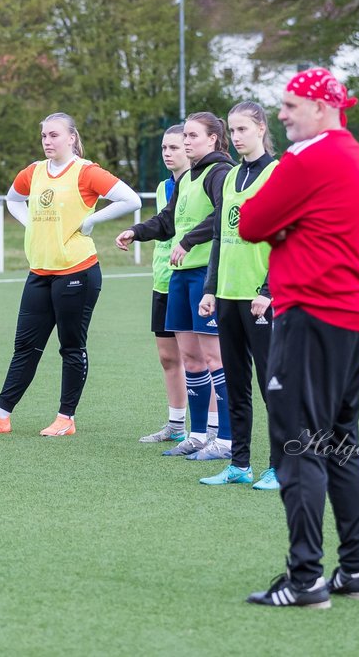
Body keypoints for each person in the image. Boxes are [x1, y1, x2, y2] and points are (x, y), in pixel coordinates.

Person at [237, 69, 359, 609]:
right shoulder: (354, 154)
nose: (284, 114)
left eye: (293, 105)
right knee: (341, 444)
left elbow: (251, 223)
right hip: (356, 317)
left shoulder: (307, 158)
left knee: (299, 447)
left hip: (312, 317)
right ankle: (357, 569)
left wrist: (283, 228)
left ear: (323, 108)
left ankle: (304, 580)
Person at [0, 112, 141, 436]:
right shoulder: (34, 171)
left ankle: (65, 418)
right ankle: (0, 416)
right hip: (40, 272)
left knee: (71, 347)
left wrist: (92, 220)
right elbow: (13, 199)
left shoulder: (86, 172)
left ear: (71, 138)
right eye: (44, 135)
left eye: (54, 135)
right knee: (24, 346)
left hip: (78, 272)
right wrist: (30, 221)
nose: (47, 141)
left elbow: (130, 199)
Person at [117, 112, 235, 461]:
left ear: (213, 139)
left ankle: (226, 439)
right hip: (180, 278)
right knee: (190, 358)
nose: (186, 142)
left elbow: (221, 216)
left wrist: (188, 241)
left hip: (205, 275)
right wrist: (137, 232)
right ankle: (197, 435)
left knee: (215, 357)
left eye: (192, 136)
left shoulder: (220, 173)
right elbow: (168, 220)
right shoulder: (188, 177)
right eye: (184, 136)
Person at [198, 101, 281, 490]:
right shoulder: (230, 177)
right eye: (232, 130)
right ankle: (239, 465)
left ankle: (282, 467)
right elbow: (219, 237)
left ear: (261, 128)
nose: (237, 136)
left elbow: (287, 241)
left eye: (244, 129)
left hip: (260, 300)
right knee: (236, 385)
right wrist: (211, 288)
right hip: (228, 298)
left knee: (272, 386)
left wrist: (268, 291)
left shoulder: (278, 175)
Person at [137, 125, 191, 444]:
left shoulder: (202, 184)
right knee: (168, 357)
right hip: (163, 282)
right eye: (164, 148)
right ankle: (175, 425)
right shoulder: (162, 187)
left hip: (191, 280)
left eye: (174, 148)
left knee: (200, 359)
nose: (168, 154)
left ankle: (210, 430)